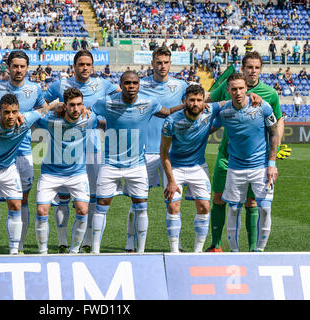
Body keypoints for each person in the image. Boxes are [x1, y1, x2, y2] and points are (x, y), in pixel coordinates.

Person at [90, 71, 181, 254]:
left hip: (137, 164)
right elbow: (91, 112)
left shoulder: (149, 102)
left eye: (135, 83)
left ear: (139, 85)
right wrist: (100, 124)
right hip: (110, 164)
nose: (131, 86)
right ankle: (95, 251)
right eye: (127, 83)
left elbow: (167, 112)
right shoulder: (108, 102)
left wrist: (185, 106)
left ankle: (140, 252)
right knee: (102, 206)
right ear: (121, 84)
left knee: (141, 206)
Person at [205, 51, 286, 252]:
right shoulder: (228, 86)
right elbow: (209, 103)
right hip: (228, 154)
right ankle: (216, 245)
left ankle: (253, 249)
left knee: (252, 203)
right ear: (242, 68)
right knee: (218, 198)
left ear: (261, 69)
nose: (253, 71)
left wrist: (273, 155)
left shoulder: (269, 95)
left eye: (257, 67)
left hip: (256, 158)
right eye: (249, 67)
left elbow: (277, 122)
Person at [44, 49, 120, 253]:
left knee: (91, 198)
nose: (84, 68)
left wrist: (105, 120)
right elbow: (40, 104)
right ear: (74, 66)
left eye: (88, 64)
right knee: (63, 197)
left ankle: (86, 241)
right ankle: (62, 242)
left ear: (93, 67)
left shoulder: (103, 84)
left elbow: (120, 101)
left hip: (92, 147)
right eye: (81, 64)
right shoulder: (60, 85)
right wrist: (56, 107)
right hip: (63, 149)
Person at [0, 94, 57, 255]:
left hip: (8, 169)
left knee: (16, 204)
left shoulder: (26, 120)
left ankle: (14, 250)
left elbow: (45, 109)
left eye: (14, 112)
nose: (10, 116)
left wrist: (61, 104)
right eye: (6, 112)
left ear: (19, 112)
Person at [0, 50, 47, 255]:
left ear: (27, 68)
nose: (18, 70)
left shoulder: (35, 89)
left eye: (22, 66)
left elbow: (43, 111)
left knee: (22, 200)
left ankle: (19, 245)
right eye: (14, 66)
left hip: (23, 152)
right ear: (8, 67)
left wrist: (32, 121)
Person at [125, 46, 188, 253]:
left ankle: (175, 247)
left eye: (166, 62)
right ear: (152, 63)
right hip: (143, 152)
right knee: (138, 202)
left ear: (171, 64)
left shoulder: (180, 86)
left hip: (171, 154)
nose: (162, 66)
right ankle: (130, 244)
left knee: (173, 202)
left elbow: (195, 104)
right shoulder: (139, 85)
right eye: (159, 62)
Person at [34, 88, 103, 254]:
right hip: (50, 173)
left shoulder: (89, 119)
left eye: (79, 105)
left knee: (83, 210)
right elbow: (34, 114)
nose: (76, 109)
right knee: (42, 210)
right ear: (65, 106)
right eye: (72, 105)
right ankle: (43, 253)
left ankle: (74, 251)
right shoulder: (51, 120)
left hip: (77, 174)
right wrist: (52, 106)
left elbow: (103, 120)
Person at [160, 85, 222, 253]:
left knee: (204, 207)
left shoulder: (210, 111)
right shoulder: (171, 121)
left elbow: (231, 103)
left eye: (199, 100)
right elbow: (164, 153)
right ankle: (175, 251)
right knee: (174, 207)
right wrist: (171, 181)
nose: (195, 103)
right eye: (192, 100)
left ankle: (197, 252)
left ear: (204, 102)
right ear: (185, 101)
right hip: (175, 168)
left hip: (198, 167)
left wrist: (253, 95)